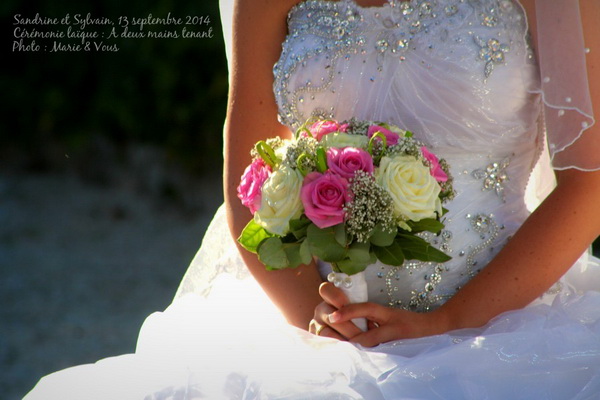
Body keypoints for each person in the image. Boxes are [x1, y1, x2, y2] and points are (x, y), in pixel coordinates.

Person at [26, 0, 600, 398]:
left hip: (501, 316)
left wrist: (454, 320)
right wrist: (315, 314)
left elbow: (588, 182)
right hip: (313, 312)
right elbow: (250, 176)